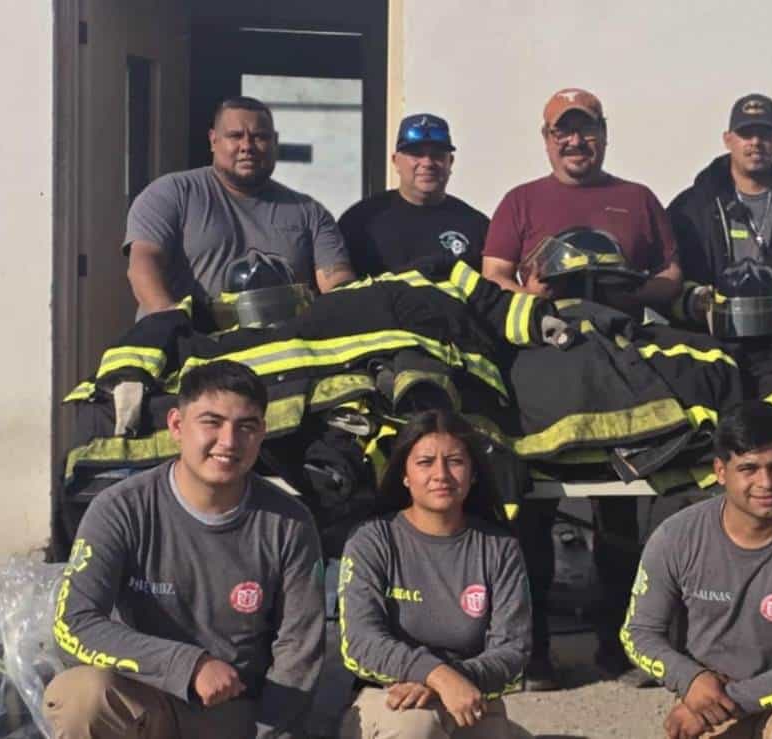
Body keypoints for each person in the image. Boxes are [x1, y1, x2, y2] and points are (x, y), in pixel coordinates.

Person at [43, 360, 326, 738]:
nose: (229, 441)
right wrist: (187, 666)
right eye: (211, 422)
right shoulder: (121, 508)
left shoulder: (290, 523)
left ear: (262, 434)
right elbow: (73, 624)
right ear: (177, 425)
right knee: (79, 696)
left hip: (233, 715)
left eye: (246, 427)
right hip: (145, 701)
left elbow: (298, 650)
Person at [622, 401, 772, 739]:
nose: (766, 482)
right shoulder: (676, 536)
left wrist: (730, 700)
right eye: (749, 469)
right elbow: (638, 632)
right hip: (707, 703)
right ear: (720, 471)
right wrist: (690, 680)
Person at [336, 410, 532, 739]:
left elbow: (514, 649)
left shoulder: (500, 547)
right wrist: (435, 674)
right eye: (425, 462)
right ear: (404, 475)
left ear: (473, 474)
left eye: (454, 461)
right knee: (416, 728)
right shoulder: (372, 539)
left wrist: (450, 679)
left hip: (471, 695)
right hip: (390, 696)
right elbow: (359, 641)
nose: (441, 474)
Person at [125, 96, 355, 316]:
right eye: (235, 136)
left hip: (281, 349)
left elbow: (337, 282)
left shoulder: (310, 212)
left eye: (260, 137)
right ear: (213, 140)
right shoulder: (171, 193)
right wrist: (167, 317)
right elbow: (145, 262)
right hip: (191, 347)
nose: (247, 146)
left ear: (274, 142)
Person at [481, 88, 681, 309]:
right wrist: (531, 299)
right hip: (547, 337)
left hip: (625, 336)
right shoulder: (519, 201)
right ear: (546, 137)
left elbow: (670, 272)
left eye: (587, 129)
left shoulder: (640, 198)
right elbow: (494, 275)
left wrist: (634, 295)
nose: (575, 141)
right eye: (562, 131)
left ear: (604, 132)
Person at [667, 93, 772, 331]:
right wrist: (694, 300)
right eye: (746, 134)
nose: (756, 142)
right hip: (710, 344)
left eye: (765, 134)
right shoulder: (691, 207)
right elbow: (665, 272)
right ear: (728, 140)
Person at [338, 114, 491, 276]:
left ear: (450, 162)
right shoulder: (359, 221)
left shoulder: (477, 227)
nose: (427, 163)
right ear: (396, 161)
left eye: (437, 155)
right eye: (416, 154)